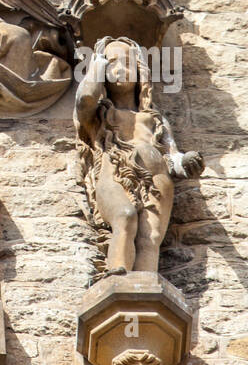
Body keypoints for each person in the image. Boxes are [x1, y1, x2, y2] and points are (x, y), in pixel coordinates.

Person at [74, 36, 203, 274]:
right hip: (115, 171)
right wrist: (98, 62)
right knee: (124, 215)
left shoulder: (154, 119)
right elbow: (85, 99)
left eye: (127, 63)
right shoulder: (99, 114)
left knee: (149, 239)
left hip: (157, 179)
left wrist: (186, 162)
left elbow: (172, 156)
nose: (120, 69)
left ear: (139, 70)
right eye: (112, 63)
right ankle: (118, 277)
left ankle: (144, 287)